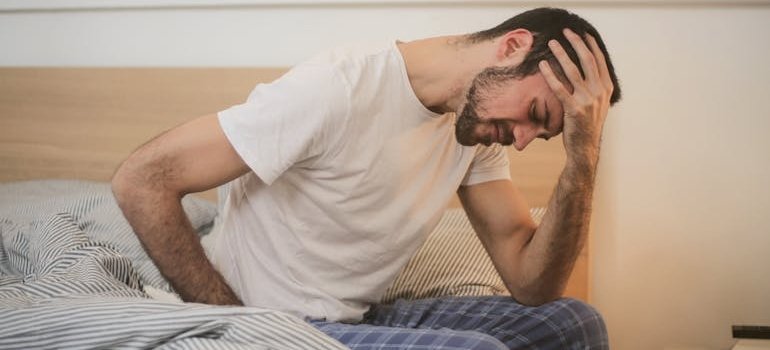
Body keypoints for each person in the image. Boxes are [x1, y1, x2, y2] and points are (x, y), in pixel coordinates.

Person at [112, 7, 621, 350]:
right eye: (534, 111)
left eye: (545, 133)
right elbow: (141, 179)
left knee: (575, 323)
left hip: (353, 319)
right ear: (512, 46)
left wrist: (583, 157)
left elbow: (532, 284)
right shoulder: (338, 88)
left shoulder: (473, 132)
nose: (525, 138)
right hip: (274, 322)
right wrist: (240, 324)